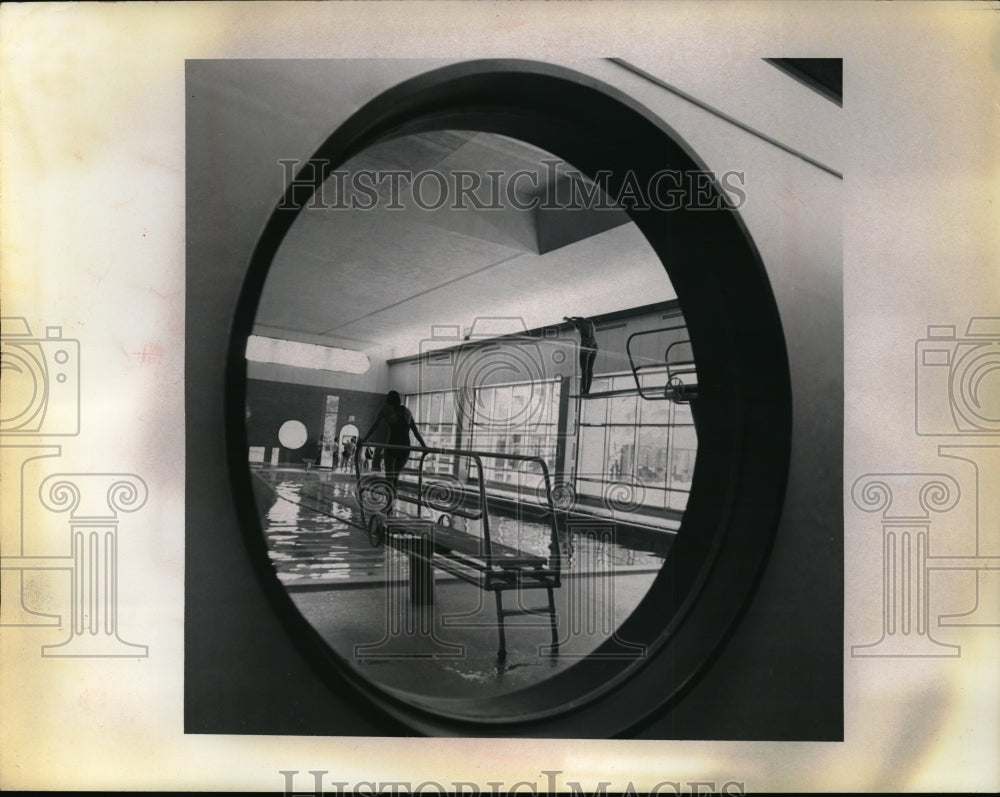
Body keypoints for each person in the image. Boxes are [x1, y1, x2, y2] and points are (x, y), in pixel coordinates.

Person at [361, 391, 427, 510]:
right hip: (405, 447)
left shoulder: (386, 409)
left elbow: (375, 426)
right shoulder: (407, 411)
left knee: (389, 478)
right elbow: (415, 432)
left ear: (388, 400)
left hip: (392, 446)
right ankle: (392, 504)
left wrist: (364, 440)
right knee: (395, 477)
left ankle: (389, 505)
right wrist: (424, 447)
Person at [565, 315, 598, 395]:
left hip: (586, 345)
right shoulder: (590, 323)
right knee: (590, 369)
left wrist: (567, 319)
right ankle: (587, 391)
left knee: (584, 369)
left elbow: (572, 322)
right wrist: (574, 318)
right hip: (594, 345)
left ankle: (584, 391)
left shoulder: (579, 323)